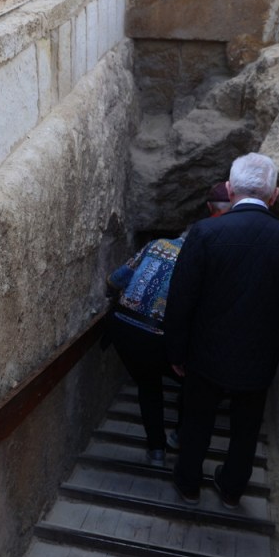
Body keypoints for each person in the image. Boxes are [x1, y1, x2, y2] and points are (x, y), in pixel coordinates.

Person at [164, 153, 279, 507]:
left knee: (197, 421)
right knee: (246, 428)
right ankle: (232, 489)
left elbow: (181, 298)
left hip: (205, 355)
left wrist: (176, 350)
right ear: (274, 195)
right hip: (258, 360)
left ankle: (188, 483)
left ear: (231, 190)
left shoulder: (205, 232)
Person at [105, 183, 233, 465]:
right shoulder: (207, 259)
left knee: (148, 385)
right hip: (161, 335)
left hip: (124, 327)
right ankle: (179, 434)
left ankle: (156, 450)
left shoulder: (157, 244)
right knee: (195, 381)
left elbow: (115, 280)